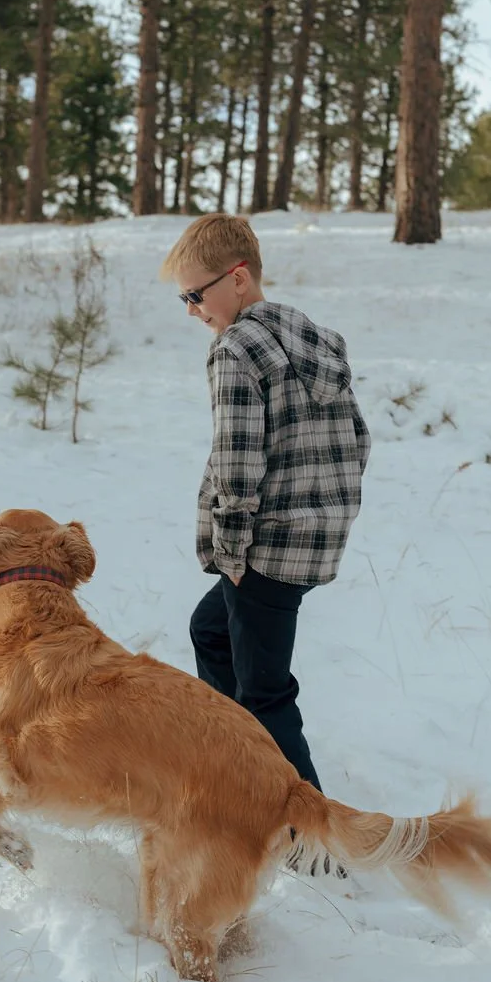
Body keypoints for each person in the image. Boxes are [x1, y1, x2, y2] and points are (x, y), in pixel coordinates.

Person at [161, 214, 370, 792]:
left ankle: (307, 834)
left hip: (265, 548)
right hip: (315, 539)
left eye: (194, 294)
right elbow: (358, 439)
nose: (191, 310)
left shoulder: (236, 350)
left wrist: (230, 551)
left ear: (238, 280)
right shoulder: (319, 340)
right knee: (211, 629)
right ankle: (234, 764)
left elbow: (238, 461)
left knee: (265, 689)